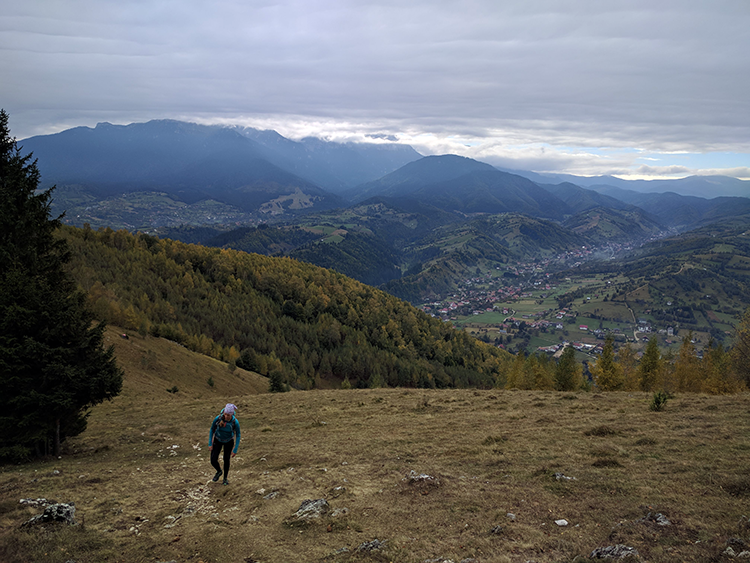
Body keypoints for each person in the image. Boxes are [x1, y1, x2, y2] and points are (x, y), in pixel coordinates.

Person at [209, 403, 241, 485]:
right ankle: (219, 471)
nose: (226, 416)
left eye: (228, 415)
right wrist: (210, 442)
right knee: (213, 459)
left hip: (229, 441)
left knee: (226, 459)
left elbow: (238, 435)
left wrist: (235, 449)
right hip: (217, 440)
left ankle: (225, 478)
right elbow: (212, 429)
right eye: (225, 414)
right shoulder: (218, 419)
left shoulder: (235, 422)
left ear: (231, 414)